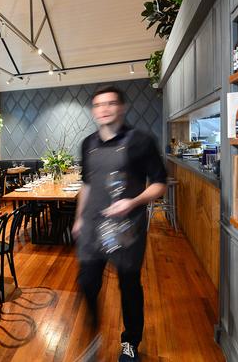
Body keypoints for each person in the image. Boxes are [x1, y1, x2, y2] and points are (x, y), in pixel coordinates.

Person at [72, 86, 167, 362]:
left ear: (121, 107)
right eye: (98, 105)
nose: (104, 109)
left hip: (126, 228)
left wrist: (133, 201)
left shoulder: (140, 141)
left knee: (129, 286)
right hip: (93, 226)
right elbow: (87, 185)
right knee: (87, 282)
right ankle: (94, 330)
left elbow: (160, 184)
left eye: (111, 103)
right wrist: (79, 217)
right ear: (93, 111)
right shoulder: (88, 144)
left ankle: (130, 343)